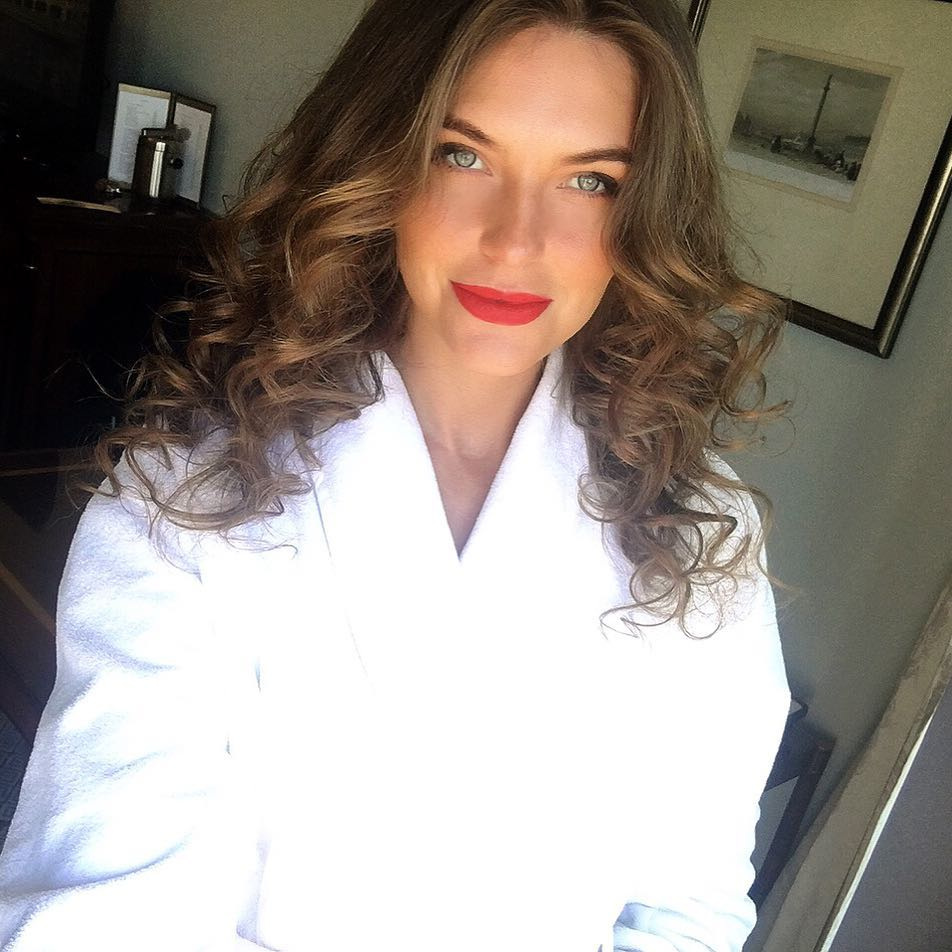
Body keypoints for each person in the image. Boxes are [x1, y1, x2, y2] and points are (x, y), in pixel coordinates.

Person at [0, 0, 791, 949]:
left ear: (646, 213)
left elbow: (687, 908)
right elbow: (103, 914)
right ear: (381, 162)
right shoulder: (190, 494)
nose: (515, 238)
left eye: (589, 179)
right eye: (463, 155)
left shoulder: (701, 529)